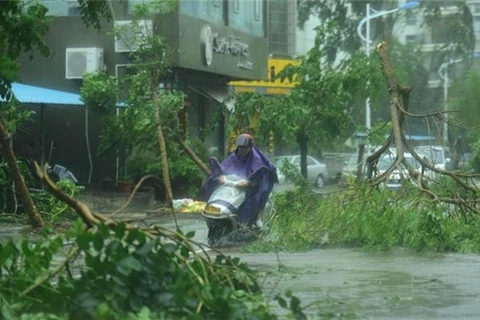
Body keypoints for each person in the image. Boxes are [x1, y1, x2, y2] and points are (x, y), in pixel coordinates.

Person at [198, 133, 278, 226]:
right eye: (240, 147)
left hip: (253, 188)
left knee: (253, 201)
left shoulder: (256, 160)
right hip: (234, 187)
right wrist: (220, 176)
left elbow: (260, 177)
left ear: (250, 147)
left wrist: (249, 183)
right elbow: (225, 167)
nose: (242, 150)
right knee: (212, 182)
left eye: (245, 148)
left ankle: (247, 223)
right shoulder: (235, 156)